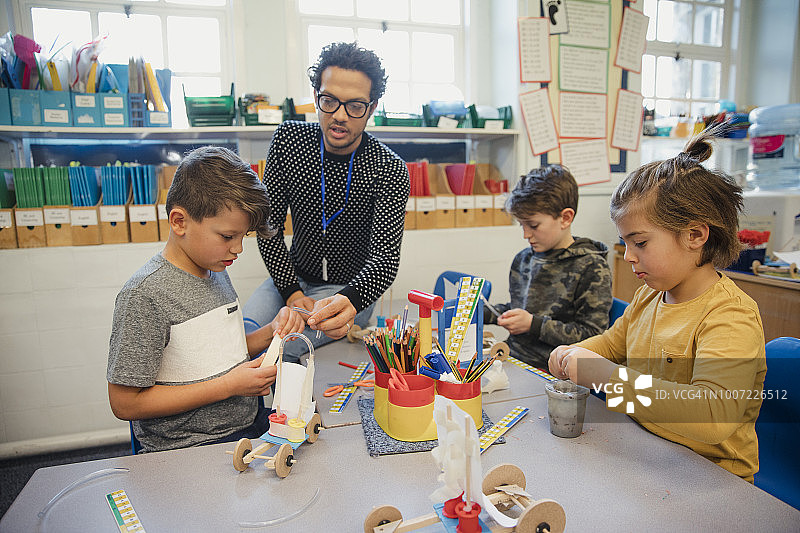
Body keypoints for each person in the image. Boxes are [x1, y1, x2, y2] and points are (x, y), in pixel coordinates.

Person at [548, 129, 766, 482]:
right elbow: (612, 345)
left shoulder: (730, 315)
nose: (629, 256)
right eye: (625, 243)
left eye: (641, 242)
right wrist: (571, 354)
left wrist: (608, 379)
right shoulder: (650, 294)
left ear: (695, 235)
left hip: (711, 478)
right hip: (647, 453)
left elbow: (712, 417)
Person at [106, 146, 305, 453]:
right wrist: (228, 386)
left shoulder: (214, 269)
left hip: (245, 426)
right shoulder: (144, 295)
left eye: (243, 237)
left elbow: (222, 353)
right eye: (227, 236)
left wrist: (272, 332)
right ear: (179, 222)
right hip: (190, 447)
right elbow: (125, 403)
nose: (237, 248)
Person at [243, 41, 410, 361]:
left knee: (284, 348)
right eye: (329, 101)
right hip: (292, 276)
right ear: (316, 95)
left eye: (356, 106)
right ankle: (260, 414)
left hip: (348, 288)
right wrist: (291, 291)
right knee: (246, 335)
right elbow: (269, 228)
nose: (340, 116)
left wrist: (349, 301)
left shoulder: (388, 168)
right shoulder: (290, 141)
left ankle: (287, 413)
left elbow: (385, 259)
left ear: (372, 108)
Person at [484, 164, 612, 369]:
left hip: (553, 370)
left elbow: (592, 337)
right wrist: (481, 312)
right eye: (521, 225)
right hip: (513, 357)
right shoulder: (524, 259)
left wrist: (533, 325)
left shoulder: (591, 266)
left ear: (565, 218)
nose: (526, 234)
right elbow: (522, 311)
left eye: (533, 225)